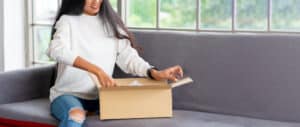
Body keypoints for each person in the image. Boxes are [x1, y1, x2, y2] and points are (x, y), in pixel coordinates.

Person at [47, 0, 184, 126]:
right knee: (76, 115)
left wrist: (155, 73)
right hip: (68, 94)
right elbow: (56, 50)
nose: (96, 2)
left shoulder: (111, 24)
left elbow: (129, 58)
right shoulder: (68, 21)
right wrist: (96, 70)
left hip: (103, 96)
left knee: (138, 111)